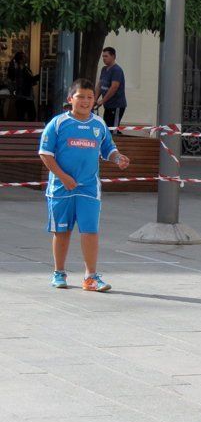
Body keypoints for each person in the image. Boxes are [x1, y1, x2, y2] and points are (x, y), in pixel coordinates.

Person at [38, 78, 130, 292]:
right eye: (81, 97)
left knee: (90, 230)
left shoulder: (98, 125)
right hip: (61, 189)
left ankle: (90, 277)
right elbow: (45, 154)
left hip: (89, 188)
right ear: (71, 99)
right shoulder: (58, 123)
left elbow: (108, 148)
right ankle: (59, 273)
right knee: (62, 232)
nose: (86, 101)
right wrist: (63, 177)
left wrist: (117, 158)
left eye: (90, 97)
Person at [94, 47, 127, 130]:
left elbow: (114, 87)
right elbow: (100, 85)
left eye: (106, 56)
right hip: (108, 106)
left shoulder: (117, 70)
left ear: (113, 56)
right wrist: (94, 99)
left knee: (113, 130)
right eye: (103, 57)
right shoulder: (104, 69)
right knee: (107, 127)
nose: (104, 59)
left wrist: (102, 101)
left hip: (116, 105)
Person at [6, 51, 39, 121]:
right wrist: (40, 75)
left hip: (22, 96)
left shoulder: (23, 69)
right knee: (31, 115)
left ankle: (23, 130)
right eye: (24, 57)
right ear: (21, 60)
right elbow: (29, 80)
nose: (26, 57)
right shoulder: (21, 70)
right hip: (24, 97)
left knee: (22, 116)